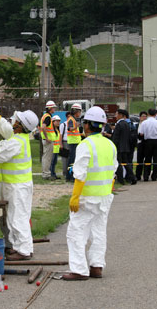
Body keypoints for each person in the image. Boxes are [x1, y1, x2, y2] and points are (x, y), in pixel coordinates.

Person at [62, 106, 118, 281]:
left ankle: (79, 270)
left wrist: (75, 196)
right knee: (99, 232)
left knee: (76, 232)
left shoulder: (85, 145)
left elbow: (80, 173)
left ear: (87, 125)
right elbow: (113, 171)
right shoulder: (110, 144)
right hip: (104, 197)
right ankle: (96, 267)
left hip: (87, 197)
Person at [0, 98, 39, 261]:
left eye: (15, 120)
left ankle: (24, 250)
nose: (12, 121)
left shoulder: (17, 142)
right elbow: (4, 127)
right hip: (11, 186)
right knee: (8, 218)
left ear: (19, 126)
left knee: (17, 217)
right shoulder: (17, 137)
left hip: (17, 187)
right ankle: (15, 246)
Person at [111, 109, 137, 185]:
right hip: (125, 147)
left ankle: (121, 180)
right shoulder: (126, 124)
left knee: (118, 164)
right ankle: (133, 178)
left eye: (116, 114)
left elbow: (116, 138)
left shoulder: (119, 124)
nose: (115, 116)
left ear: (121, 115)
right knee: (126, 163)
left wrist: (114, 146)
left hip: (119, 147)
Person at [139, 108, 157, 181]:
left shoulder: (145, 122)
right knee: (156, 159)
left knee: (147, 158)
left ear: (148, 114)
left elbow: (141, 133)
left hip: (148, 141)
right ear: (155, 114)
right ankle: (154, 176)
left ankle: (146, 176)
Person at [40, 100, 57, 179]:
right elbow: (43, 127)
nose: (54, 109)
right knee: (47, 158)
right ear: (50, 108)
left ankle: (45, 173)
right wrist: (47, 138)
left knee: (45, 157)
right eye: (53, 108)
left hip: (46, 140)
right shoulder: (48, 117)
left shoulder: (45, 116)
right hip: (48, 141)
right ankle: (46, 174)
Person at [66, 103, 82, 181]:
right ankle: (70, 176)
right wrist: (76, 127)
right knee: (71, 160)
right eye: (79, 111)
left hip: (75, 141)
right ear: (76, 111)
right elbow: (69, 128)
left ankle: (70, 176)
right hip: (73, 142)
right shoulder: (71, 119)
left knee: (73, 159)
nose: (80, 113)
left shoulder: (74, 119)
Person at [135, 111, 147, 181]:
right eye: (143, 116)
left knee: (147, 160)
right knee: (139, 160)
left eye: (145, 116)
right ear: (140, 117)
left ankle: (145, 175)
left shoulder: (147, 124)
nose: (144, 117)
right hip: (139, 143)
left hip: (146, 143)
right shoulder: (137, 125)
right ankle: (138, 175)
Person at [49, 115, 62, 180]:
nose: (58, 123)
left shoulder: (57, 130)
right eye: (57, 121)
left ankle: (53, 174)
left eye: (59, 121)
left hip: (56, 149)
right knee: (52, 163)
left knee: (54, 163)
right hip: (52, 149)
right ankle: (51, 174)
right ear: (53, 122)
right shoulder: (51, 130)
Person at [59, 111, 70, 178]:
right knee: (64, 159)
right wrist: (61, 144)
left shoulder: (74, 124)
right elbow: (60, 135)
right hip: (65, 142)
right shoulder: (63, 125)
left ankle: (70, 172)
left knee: (70, 158)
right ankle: (64, 172)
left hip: (71, 142)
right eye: (68, 117)